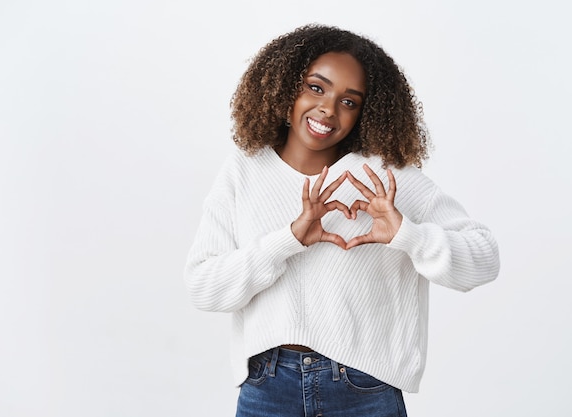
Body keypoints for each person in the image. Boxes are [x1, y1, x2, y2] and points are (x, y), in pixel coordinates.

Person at [184, 24, 500, 417]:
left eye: (349, 101)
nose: (328, 109)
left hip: (362, 388)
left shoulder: (384, 178)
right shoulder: (243, 172)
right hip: (268, 387)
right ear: (286, 86)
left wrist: (408, 235)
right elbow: (203, 288)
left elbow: (484, 259)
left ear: (366, 112)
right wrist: (289, 240)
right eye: (316, 88)